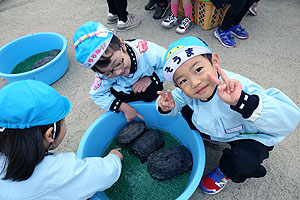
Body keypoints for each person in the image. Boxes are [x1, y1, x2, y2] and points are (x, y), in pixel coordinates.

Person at [156, 36, 300, 194]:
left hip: (249, 134)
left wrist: (244, 102)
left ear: (215, 61)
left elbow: (289, 119)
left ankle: (224, 171)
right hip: (217, 129)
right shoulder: (187, 92)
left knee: (243, 162)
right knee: (181, 110)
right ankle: (210, 136)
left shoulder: (239, 87)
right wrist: (166, 107)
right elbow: (175, 99)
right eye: (183, 80)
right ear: (177, 85)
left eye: (198, 70)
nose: (194, 82)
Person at [0, 80, 123, 199]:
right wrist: (114, 158)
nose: (64, 125)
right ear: (50, 135)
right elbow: (105, 174)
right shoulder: (59, 172)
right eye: (63, 121)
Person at [73, 21, 166, 122]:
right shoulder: (102, 75)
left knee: (150, 94)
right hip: (124, 90)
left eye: (118, 63)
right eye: (108, 73)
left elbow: (169, 63)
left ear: (122, 45)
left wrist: (151, 78)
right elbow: (96, 94)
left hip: (148, 81)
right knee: (120, 99)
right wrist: (122, 107)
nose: (117, 73)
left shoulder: (148, 53)